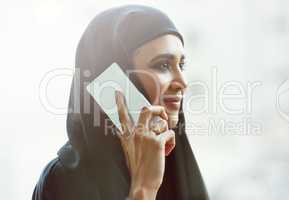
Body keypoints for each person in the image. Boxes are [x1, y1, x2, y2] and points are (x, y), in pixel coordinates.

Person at [32, 4, 209, 200]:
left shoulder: (176, 168)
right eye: (163, 65)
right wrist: (143, 189)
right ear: (114, 81)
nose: (183, 83)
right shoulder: (62, 182)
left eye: (181, 65)